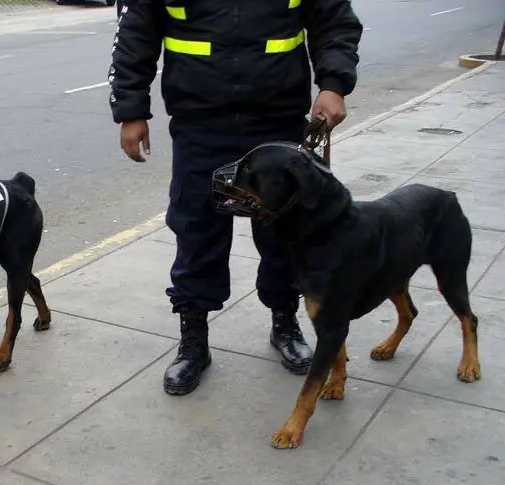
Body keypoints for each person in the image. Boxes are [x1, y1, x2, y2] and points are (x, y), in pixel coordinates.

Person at [109, 0, 363, 395]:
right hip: (201, 124)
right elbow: (134, 36)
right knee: (197, 233)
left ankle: (284, 321)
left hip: (277, 121)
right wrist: (131, 110)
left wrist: (333, 85)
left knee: (285, 235)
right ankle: (194, 339)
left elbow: (334, 22)